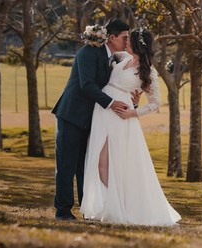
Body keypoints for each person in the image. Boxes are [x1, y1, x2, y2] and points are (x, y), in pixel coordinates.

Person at [81, 29, 181, 226]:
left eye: (129, 40)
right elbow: (107, 51)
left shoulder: (148, 71)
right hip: (103, 112)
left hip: (122, 117)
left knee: (113, 163)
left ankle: (120, 207)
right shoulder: (123, 57)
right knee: (99, 160)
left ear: (138, 44)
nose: (125, 42)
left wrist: (133, 111)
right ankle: (111, 204)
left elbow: (155, 103)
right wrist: (93, 37)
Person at [52, 18, 131, 220]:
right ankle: (62, 211)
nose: (126, 41)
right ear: (112, 37)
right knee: (66, 164)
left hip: (91, 119)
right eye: (124, 37)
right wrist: (111, 103)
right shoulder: (88, 53)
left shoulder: (113, 58)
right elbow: (86, 84)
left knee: (85, 167)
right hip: (71, 114)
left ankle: (88, 210)